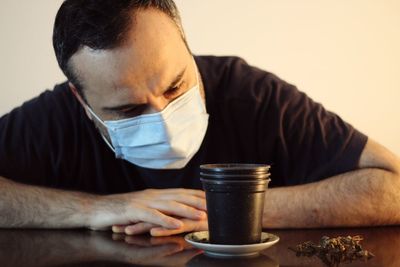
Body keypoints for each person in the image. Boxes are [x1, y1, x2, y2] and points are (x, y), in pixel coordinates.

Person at [0, 0, 399, 237]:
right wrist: (94, 210)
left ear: (189, 53)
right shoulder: (52, 120)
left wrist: (219, 210)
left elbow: (392, 187)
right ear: (81, 100)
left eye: (175, 87)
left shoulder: (251, 94)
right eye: (129, 110)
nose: (163, 118)